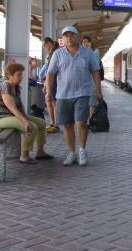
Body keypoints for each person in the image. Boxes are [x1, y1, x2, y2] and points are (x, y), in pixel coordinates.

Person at [44, 26, 103, 166]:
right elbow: (50, 73)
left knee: (81, 123)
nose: (69, 38)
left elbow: (95, 72)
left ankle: (82, 150)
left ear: (77, 37)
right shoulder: (57, 54)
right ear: (62, 39)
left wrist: (98, 90)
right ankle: (71, 153)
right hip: (63, 95)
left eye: (72, 35)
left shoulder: (88, 53)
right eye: (66, 36)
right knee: (67, 125)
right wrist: (48, 91)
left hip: (82, 93)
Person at [0, 63, 53, 163]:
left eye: (21, 75)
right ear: (9, 75)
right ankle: (24, 155)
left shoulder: (16, 87)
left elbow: (20, 105)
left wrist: (25, 116)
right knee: (32, 126)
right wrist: (25, 121)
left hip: (10, 116)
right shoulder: (5, 87)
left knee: (41, 123)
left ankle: (40, 152)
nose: (21, 77)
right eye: (18, 75)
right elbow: (13, 108)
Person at [81, 36, 104, 122]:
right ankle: (85, 120)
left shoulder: (95, 51)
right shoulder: (80, 52)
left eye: (86, 42)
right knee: (84, 102)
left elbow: (94, 65)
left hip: (93, 80)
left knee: (92, 102)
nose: (84, 44)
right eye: (83, 42)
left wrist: (88, 50)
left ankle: (91, 121)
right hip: (83, 81)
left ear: (90, 42)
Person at [38, 38, 59, 133]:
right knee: (50, 102)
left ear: (49, 43)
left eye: (44, 45)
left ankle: (56, 125)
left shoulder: (54, 53)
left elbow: (51, 72)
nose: (44, 47)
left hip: (54, 82)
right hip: (51, 82)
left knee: (53, 102)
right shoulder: (50, 54)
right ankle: (52, 123)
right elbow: (48, 71)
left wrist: (46, 85)